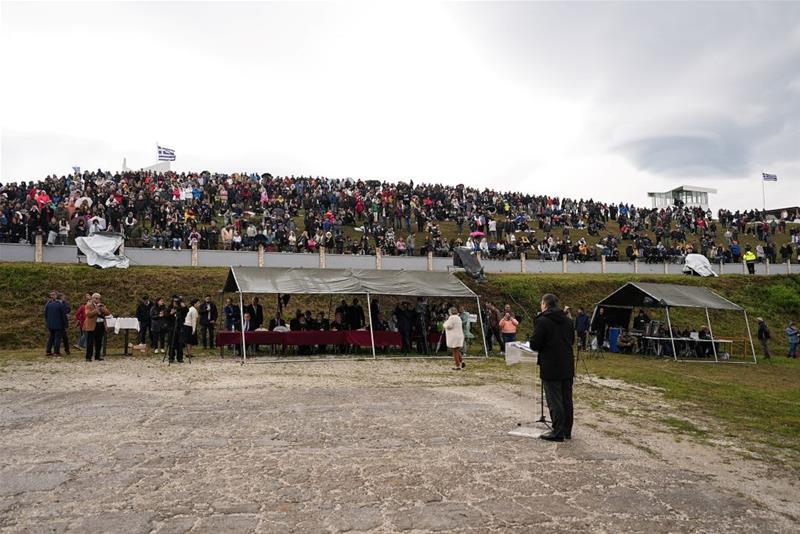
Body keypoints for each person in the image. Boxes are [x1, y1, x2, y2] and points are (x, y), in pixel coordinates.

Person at [529, 293, 575, 442]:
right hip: (567, 364)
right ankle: (567, 430)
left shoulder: (542, 321)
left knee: (554, 400)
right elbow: (572, 340)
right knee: (566, 399)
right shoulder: (568, 321)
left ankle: (558, 432)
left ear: (545, 304)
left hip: (551, 365)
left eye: (541, 303)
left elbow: (535, 344)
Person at [84, 293, 111, 362]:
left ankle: (97, 356)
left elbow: (108, 313)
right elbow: (88, 314)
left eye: (99, 298)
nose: (98, 300)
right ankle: (88, 357)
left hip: (100, 325)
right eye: (96, 298)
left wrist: (102, 308)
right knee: (90, 342)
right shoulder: (88, 305)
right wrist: (96, 309)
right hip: (92, 325)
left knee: (99, 342)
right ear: (92, 299)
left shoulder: (102, 305)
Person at [44, 291, 66, 356]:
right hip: (59, 324)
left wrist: (48, 322)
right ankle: (56, 352)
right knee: (57, 338)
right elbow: (63, 315)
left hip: (50, 324)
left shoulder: (48, 304)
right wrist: (65, 324)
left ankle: (48, 351)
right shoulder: (60, 304)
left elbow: (45, 314)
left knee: (51, 337)